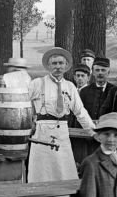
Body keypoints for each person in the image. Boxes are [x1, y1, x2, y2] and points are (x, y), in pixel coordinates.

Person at [27, 47, 96, 182]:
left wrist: (93, 132)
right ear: (48, 66)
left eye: (61, 63)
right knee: (42, 173)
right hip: (42, 133)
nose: (58, 67)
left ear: (66, 66)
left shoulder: (70, 87)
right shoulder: (37, 84)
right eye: (54, 63)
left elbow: (80, 112)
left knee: (64, 172)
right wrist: (28, 123)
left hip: (62, 133)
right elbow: (22, 104)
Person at [80, 56, 114, 120]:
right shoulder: (84, 91)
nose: (100, 73)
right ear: (93, 72)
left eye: (103, 70)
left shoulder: (114, 91)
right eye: (97, 70)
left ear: (108, 72)